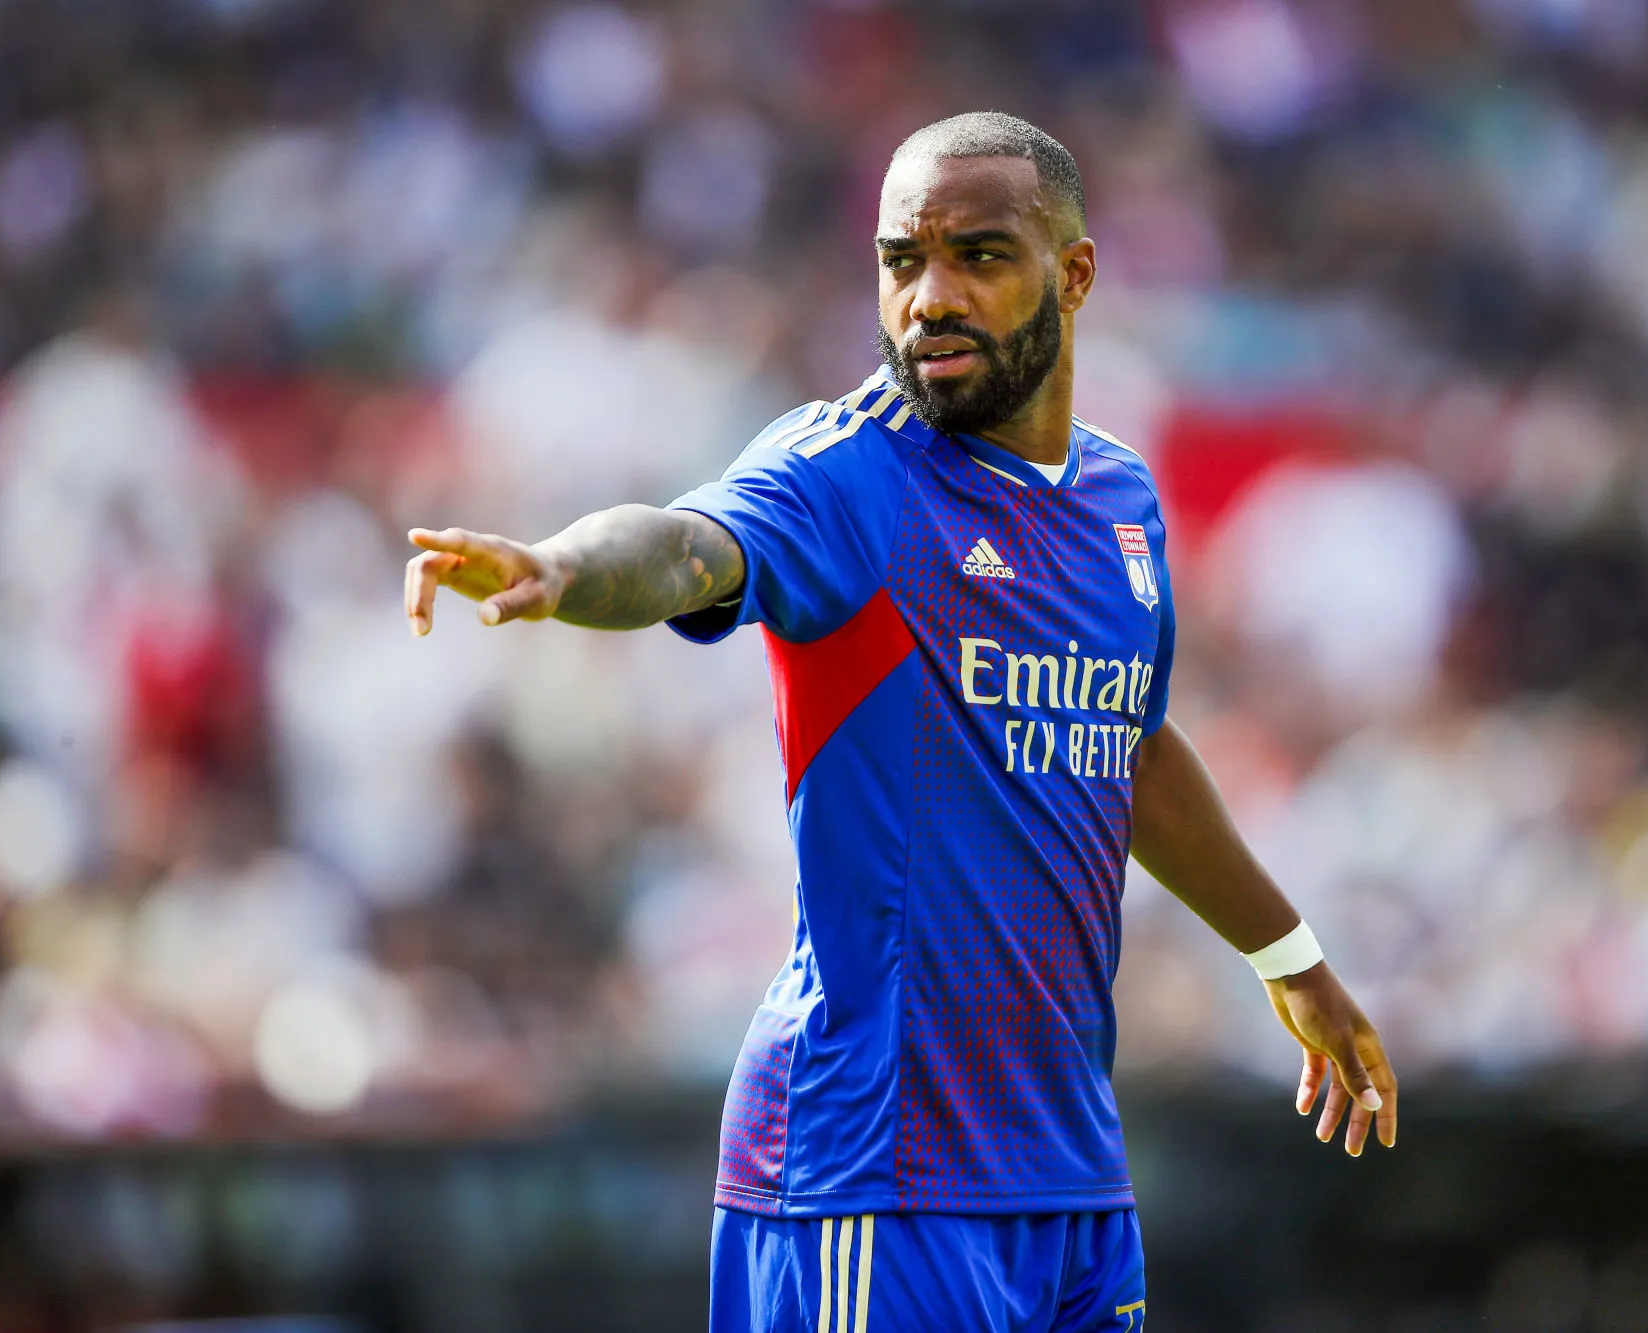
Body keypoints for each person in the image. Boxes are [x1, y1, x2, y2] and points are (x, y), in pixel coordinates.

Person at [404, 112, 1396, 1333]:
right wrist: (561, 565)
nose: (928, 297)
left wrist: (1286, 957)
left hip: (1068, 1179)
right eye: (899, 260)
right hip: (872, 1175)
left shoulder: (1121, 502)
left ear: (1072, 275)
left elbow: (1122, 744)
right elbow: (683, 545)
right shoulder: (844, 476)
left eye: (978, 257)